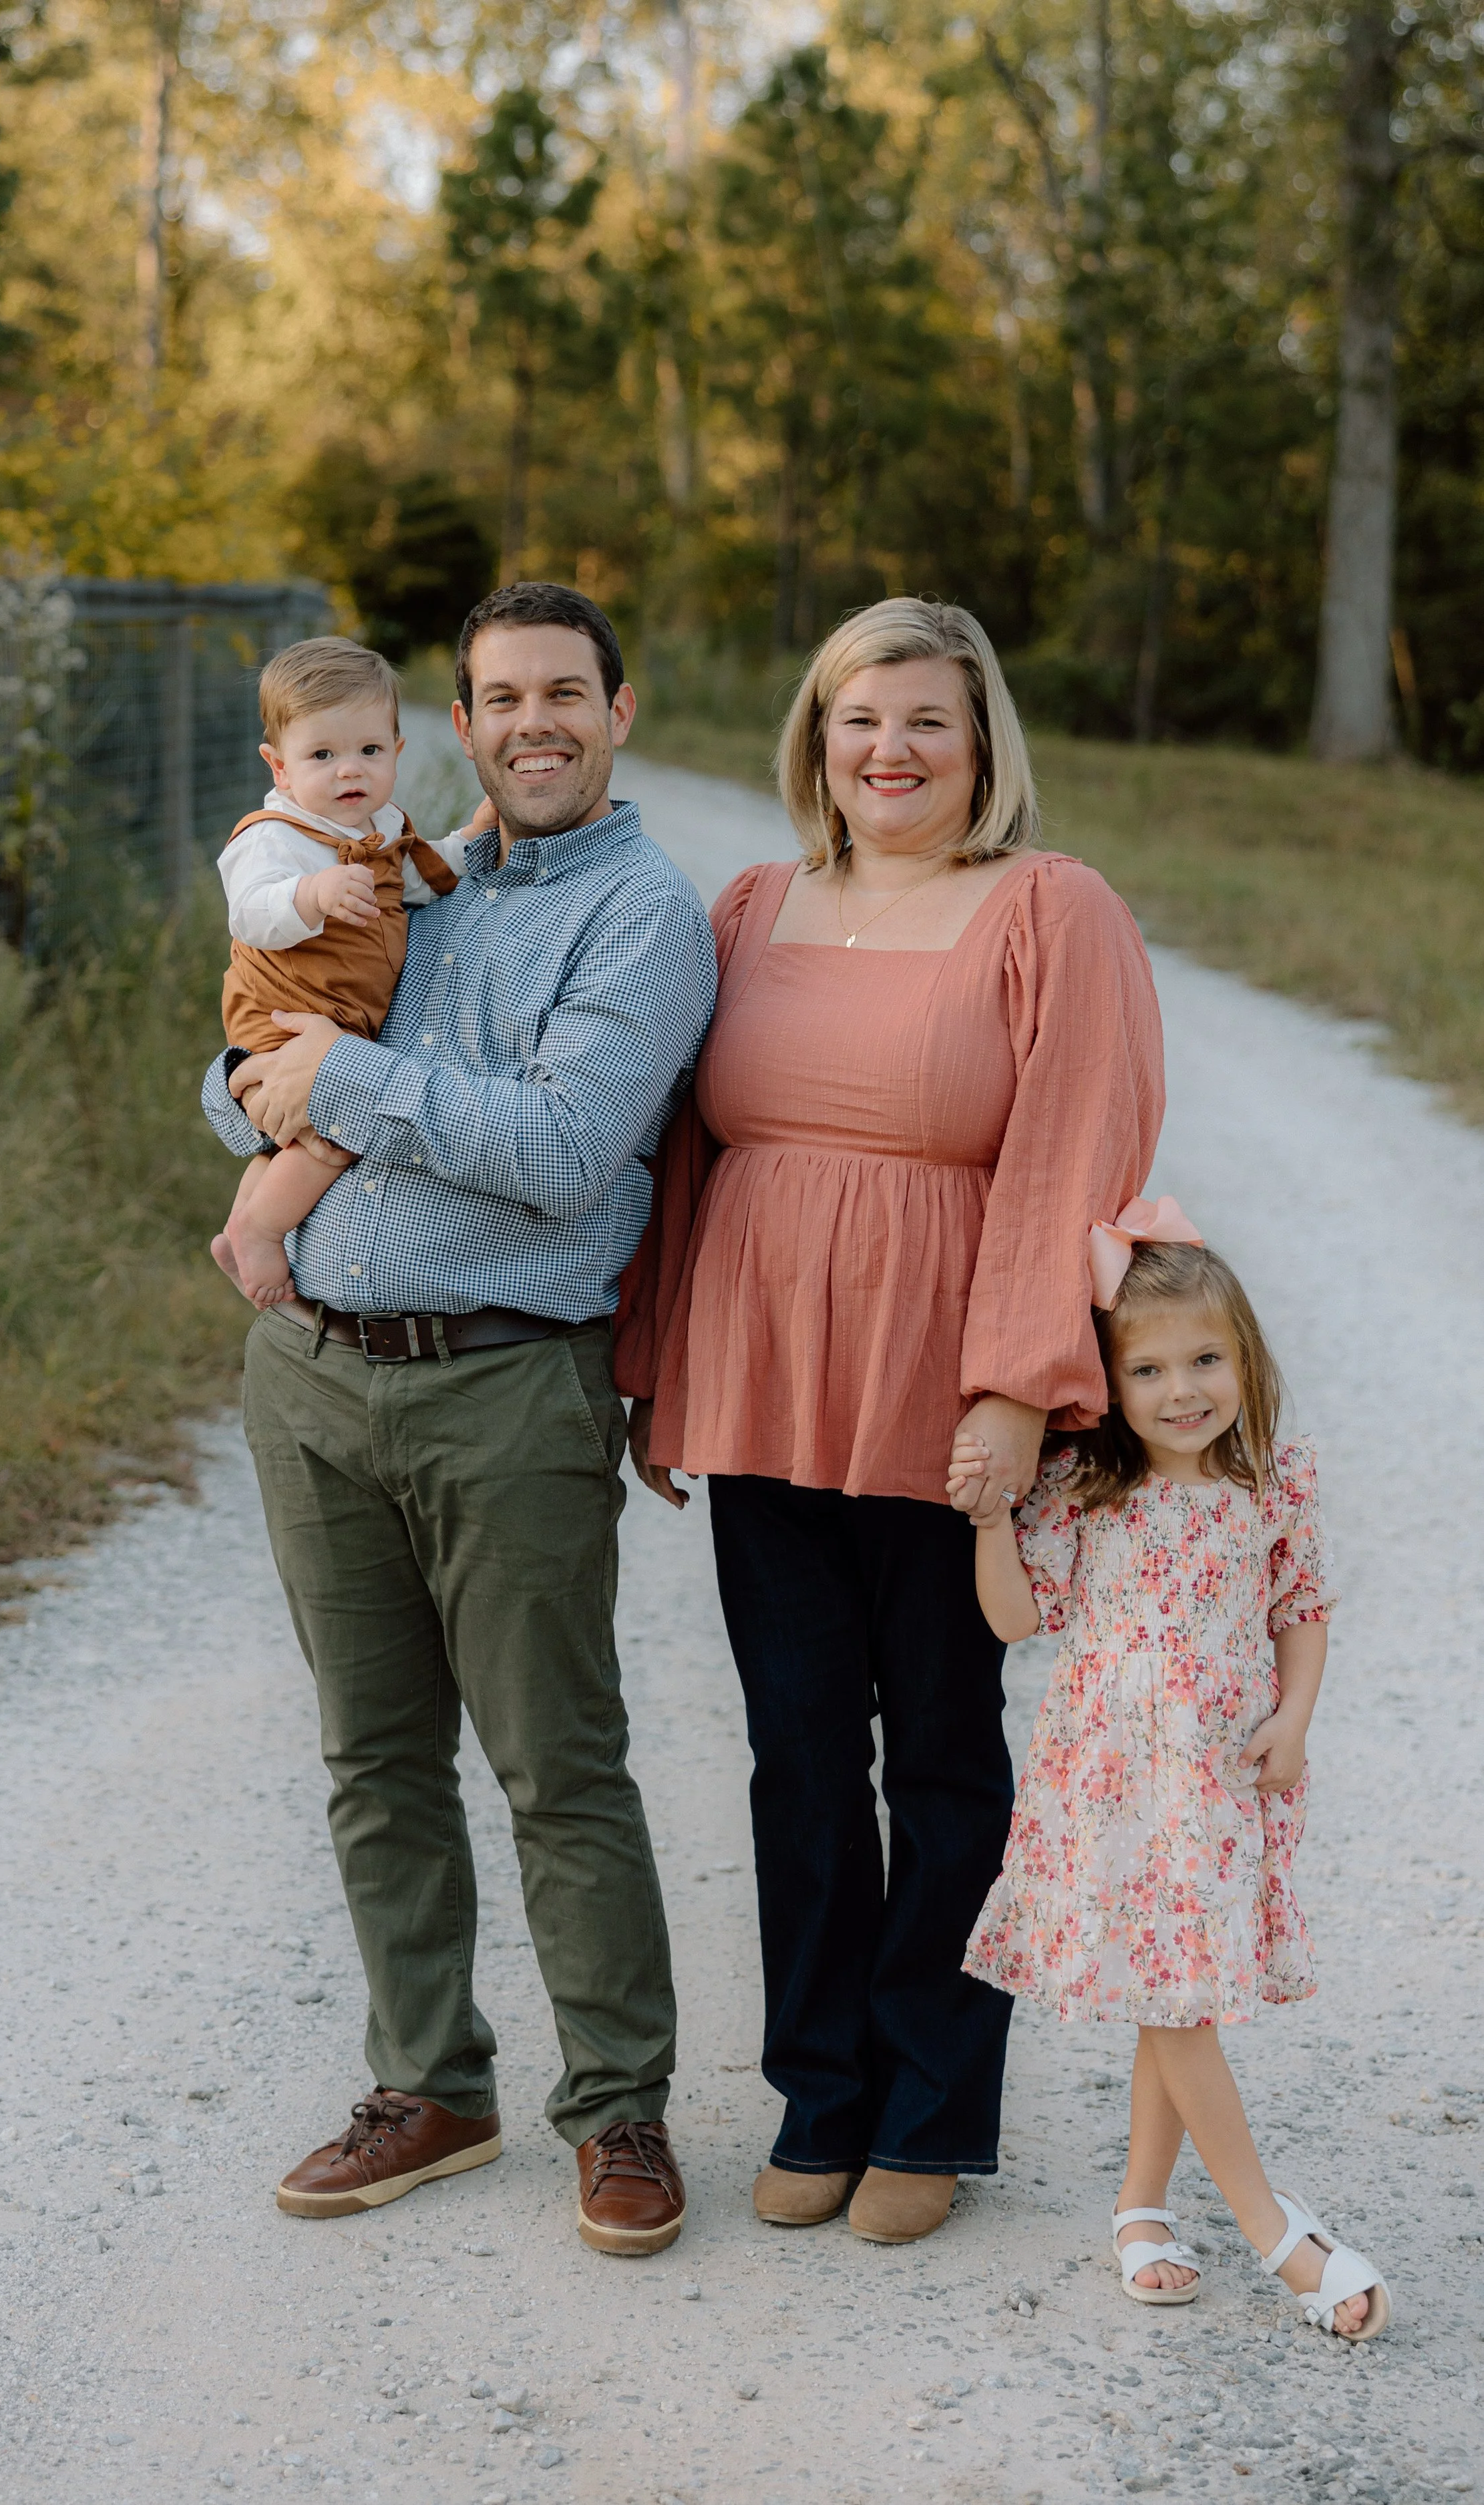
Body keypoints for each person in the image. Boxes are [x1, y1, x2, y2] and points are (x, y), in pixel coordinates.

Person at [614, 596, 1163, 2243]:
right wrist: (660, 1361)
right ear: (817, 739)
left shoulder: (1047, 911)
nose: (891, 750)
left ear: (981, 739)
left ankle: (933, 2109)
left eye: (926, 718)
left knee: (939, 1755)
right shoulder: (750, 907)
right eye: (860, 720)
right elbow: (682, 1154)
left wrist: (1016, 1387)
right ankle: (819, 2090)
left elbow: (1080, 1149)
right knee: (795, 1753)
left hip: (943, 1401)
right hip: (765, 1379)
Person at [201, 582, 718, 2254]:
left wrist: (327, 1087)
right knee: (372, 1755)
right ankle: (429, 2081)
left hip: (508, 1382)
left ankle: (619, 2103)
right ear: (462, 717)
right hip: (315, 1374)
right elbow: (244, 1065)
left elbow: (567, 1145)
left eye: (565, 691)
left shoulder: (641, 913)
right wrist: (254, 1083)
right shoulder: (402, 870)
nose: (533, 722)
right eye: (502, 696)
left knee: (557, 1763)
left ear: (618, 710)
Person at [956, 1214, 1390, 2340]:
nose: (1181, 1389)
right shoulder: (1087, 1489)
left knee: (1178, 1989)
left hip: (1221, 1782)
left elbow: (1302, 1612)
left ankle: (1142, 2208)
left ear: (1244, 1358)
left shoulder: (1270, 1481)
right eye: (1146, 1369)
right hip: (1113, 1784)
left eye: (1205, 1360)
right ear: (1109, 1385)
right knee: (1181, 1992)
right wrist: (992, 1517)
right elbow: (1013, 1618)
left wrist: (1295, 1719)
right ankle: (1274, 2232)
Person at [209, 637, 476, 1307]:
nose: (347, 771)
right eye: (322, 755)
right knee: (334, 1131)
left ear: (396, 750)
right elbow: (252, 913)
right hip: (285, 1010)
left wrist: (472, 846)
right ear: (280, 766)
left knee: (292, 1135)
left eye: (368, 751)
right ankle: (264, 1232)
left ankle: (239, 1225)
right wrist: (314, 895)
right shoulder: (273, 836)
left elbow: (419, 879)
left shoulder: (382, 829)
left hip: (337, 1018)